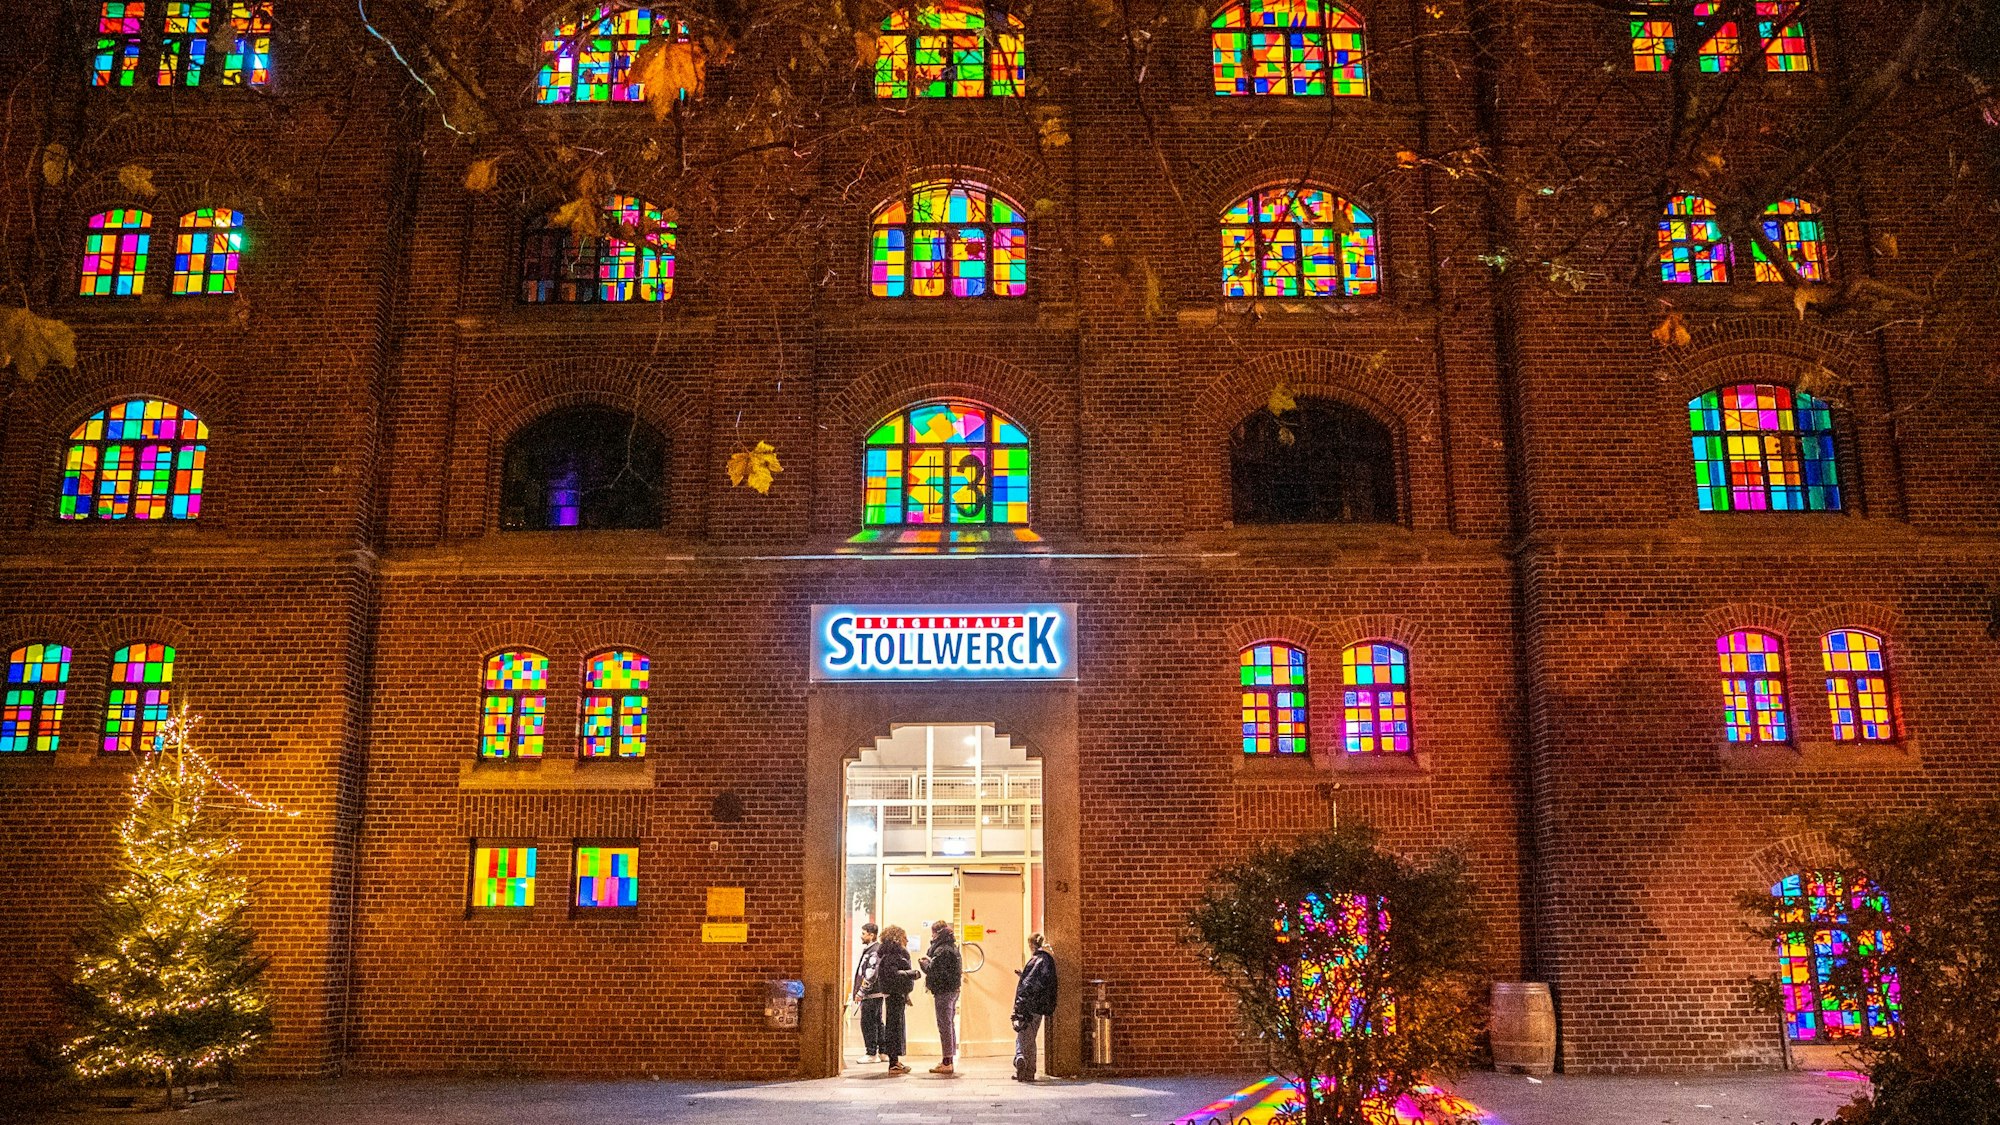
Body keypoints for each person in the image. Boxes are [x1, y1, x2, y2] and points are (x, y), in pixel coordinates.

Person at [875, 924, 922, 1075]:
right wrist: (910, 974)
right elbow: (892, 974)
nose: (907, 940)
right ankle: (893, 1062)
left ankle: (895, 1061)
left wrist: (906, 994)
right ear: (897, 938)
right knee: (894, 1027)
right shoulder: (892, 955)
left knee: (895, 1026)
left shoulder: (891, 954)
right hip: (895, 994)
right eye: (904, 937)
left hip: (897, 993)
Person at [918, 919, 963, 1076]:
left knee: (944, 1025)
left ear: (937, 933)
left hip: (944, 991)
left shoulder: (942, 950)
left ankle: (947, 1061)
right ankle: (949, 1058)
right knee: (948, 1024)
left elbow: (934, 970)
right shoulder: (952, 947)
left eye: (932, 933)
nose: (931, 936)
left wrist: (924, 964)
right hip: (952, 990)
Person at [1011, 932, 1058, 1082]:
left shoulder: (1035, 960)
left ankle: (1020, 1058)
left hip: (1029, 1005)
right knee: (1031, 1037)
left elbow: (1027, 986)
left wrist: (1018, 1006)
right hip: (1040, 1006)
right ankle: (1030, 1072)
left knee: (1022, 1036)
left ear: (1031, 945)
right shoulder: (1048, 960)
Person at [850, 923, 884, 1063]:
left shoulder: (873, 951)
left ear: (871, 935)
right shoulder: (873, 950)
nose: (861, 936)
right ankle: (883, 1051)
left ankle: (871, 1053)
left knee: (868, 1022)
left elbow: (871, 973)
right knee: (877, 1022)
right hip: (876, 993)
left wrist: (861, 991)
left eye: (864, 933)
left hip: (871, 993)